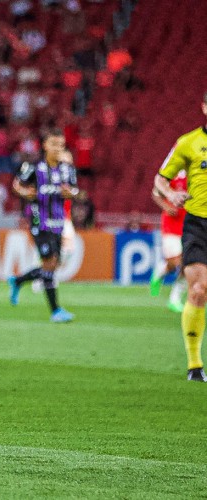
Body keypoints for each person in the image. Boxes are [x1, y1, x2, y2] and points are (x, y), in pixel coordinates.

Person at [153, 92, 207, 382]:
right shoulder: (188, 143)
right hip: (198, 224)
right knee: (199, 289)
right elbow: (160, 178)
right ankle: (195, 365)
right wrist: (171, 193)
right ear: (204, 107)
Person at [7, 130, 81, 323]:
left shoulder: (67, 169)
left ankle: (18, 281)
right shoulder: (33, 166)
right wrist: (25, 192)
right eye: (54, 144)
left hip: (58, 221)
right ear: (45, 145)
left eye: (61, 145)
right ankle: (56, 311)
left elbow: (75, 190)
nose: (58, 149)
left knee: (53, 265)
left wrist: (70, 192)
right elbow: (17, 184)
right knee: (50, 263)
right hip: (39, 220)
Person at [150, 169, 187, 313]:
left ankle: (174, 299)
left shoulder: (198, 172)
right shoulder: (173, 172)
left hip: (190, 226)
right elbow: (155, 192)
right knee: (176, 262)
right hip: (171, 226)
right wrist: (166, 206)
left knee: (186, 264)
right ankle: (159, 273)